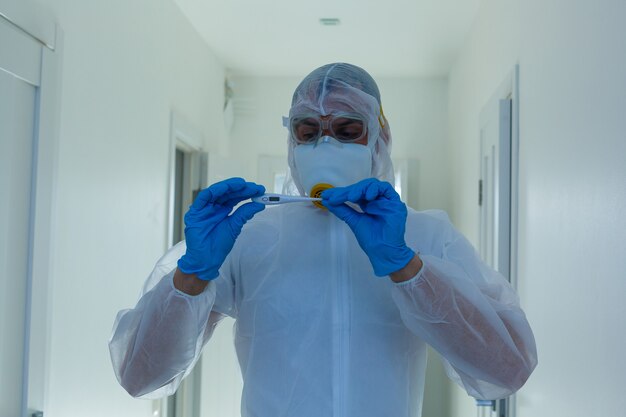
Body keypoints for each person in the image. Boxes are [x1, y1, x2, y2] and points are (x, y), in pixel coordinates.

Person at [109, 63, 537, 417]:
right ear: (290, 140)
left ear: (380, 139)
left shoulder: (426, 235)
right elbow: (141, 376)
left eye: (348, 130)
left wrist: (408, 268)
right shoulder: (247, 238)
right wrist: (191, 277)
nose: (325, 143)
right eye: (308, 130)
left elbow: (505, 372)